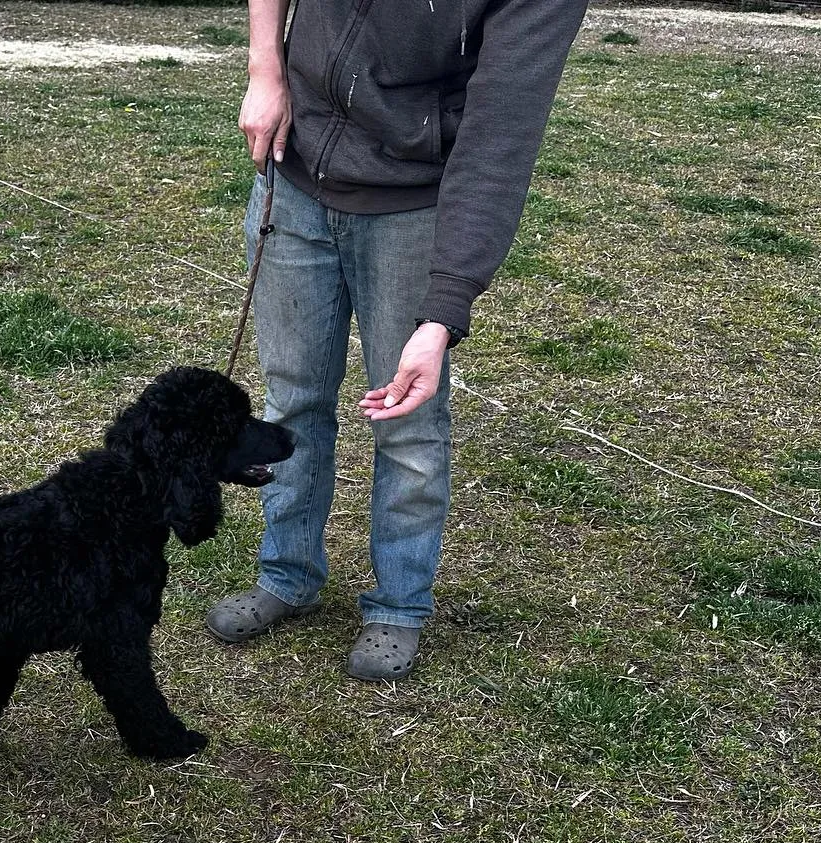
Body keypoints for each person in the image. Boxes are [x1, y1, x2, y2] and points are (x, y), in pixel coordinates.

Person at [205, 0, 590, 681]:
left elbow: (500, 137)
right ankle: (287, 574)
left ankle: (398, 605)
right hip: (293, 176)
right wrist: (265, 67)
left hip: (412, 203)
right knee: (291, 398)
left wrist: (442, 314)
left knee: (405, 423)